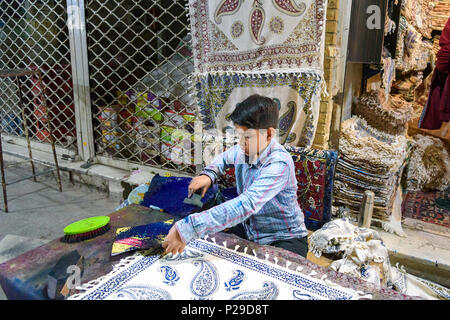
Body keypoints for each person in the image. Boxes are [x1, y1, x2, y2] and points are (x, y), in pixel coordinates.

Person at [162, 94, 309, 257]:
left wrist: (187, 228)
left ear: (268, 135)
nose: (240, 143)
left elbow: (247, 204)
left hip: (284, 237)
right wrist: (209, 174)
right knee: (205, 249)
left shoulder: (279, 163)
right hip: (250, 229)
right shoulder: (243, 150)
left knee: (276, 276)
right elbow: (223, 159)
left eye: (247, 137)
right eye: (239, 136)